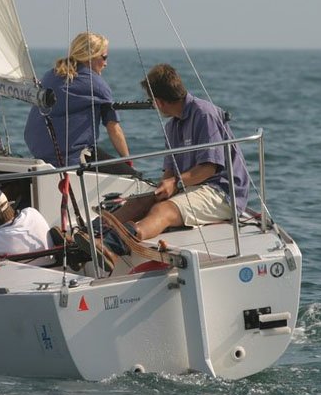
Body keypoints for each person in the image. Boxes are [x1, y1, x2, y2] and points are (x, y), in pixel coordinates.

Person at [77, 63, 249, 257]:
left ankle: (111, 244)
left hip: (222, 192)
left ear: (158, 102)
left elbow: (208, 169)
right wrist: (164, 187)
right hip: (191, 186)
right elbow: (170, 171)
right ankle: (88, 234)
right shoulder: (172, 127)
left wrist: (174, 183)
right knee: (139, 202)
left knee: (163, 209)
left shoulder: (204, 114)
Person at [23, 31, 136, 175]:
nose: (106, 63)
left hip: (40, 153)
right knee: (134, 177)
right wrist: (128, 163)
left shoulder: (50, 75)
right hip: (71, 158)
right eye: (104, 57)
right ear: (90, 57)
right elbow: (113, 129)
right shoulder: (96, 84)